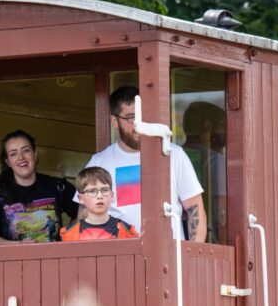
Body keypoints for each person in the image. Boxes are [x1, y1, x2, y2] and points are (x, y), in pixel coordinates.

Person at [78, 86, 207, 241]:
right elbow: (84, 215)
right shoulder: (100, 162)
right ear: (114, 121)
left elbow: (195, 209)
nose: (138, 125)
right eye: (131, 118)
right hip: (118, 257)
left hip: (168, 256)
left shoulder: (174, 154)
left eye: (142, 117)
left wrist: (190, 259)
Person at [0, 129, 79, 243]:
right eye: (13, 154)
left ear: (35, 155)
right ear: (8, 162)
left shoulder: (57, 186)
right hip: (14, 259)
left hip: (54, 259)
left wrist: (67, 238)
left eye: (26, 151)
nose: (21, 157)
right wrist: (17, 245)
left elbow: (83, 212)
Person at [182, 101, 226, 243]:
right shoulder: (216, 161)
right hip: (208, 239)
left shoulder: (174, 156)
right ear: (208, 126)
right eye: (223, 125)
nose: (227, 130)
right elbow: (221, 214)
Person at [61, 167, 138, 241]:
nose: (100, 196)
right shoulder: (68, 234)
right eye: (92, 191)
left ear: (111, 195)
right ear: (81, 199)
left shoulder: (127, 231)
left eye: (105, 190)